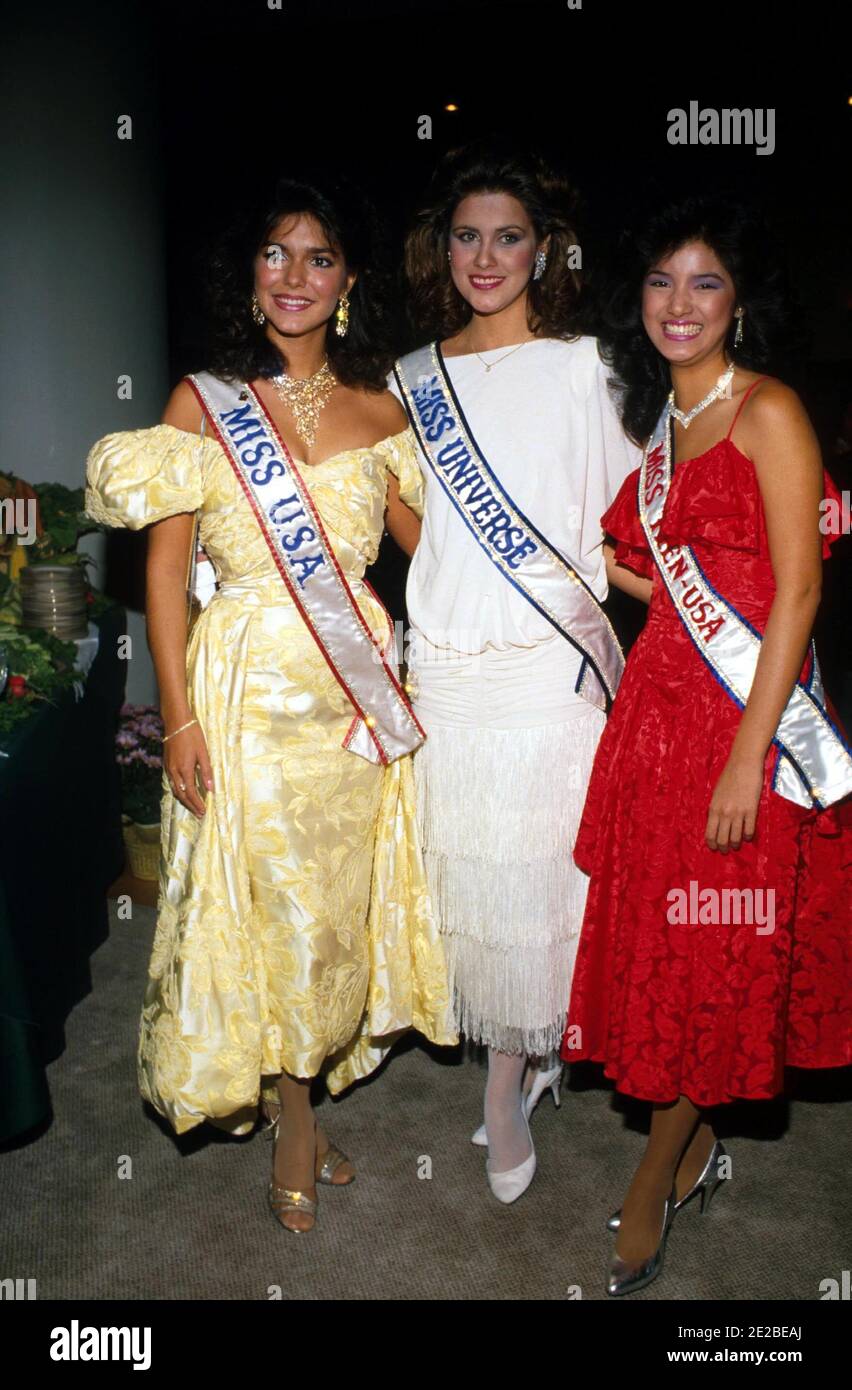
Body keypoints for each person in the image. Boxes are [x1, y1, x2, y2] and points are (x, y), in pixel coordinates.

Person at [85, 174, 455, 1235]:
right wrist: (179, 718)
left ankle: (307, 1099)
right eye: (276, 254)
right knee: (268, 908)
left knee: (331, 914)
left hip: (351, 702)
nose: (296, 276)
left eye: (320, 257)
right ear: (250, 276)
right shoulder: (200, 403)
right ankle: (296, 1124)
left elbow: (435, 562)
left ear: (347, 281)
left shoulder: (384, 411)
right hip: (243, 687)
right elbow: (163, 575)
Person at [561, 194, 852, 1294]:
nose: (680, 305)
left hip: (743, 731)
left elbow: (801, 586)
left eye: (707, 282)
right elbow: (659, 568)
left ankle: (655, 1173)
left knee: (719, 953)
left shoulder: (769, 409)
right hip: (657, 722)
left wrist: (748, 754)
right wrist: (618, 578)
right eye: (661, 282)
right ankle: (692, 1148)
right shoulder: (664, 427)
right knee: (670, 947)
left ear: (740, 301)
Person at [392, 141, 640, 1202]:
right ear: (439, 248)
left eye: (508, 237)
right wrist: (457, 575)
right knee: (467, 883)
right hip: (449, 667)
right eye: (466, 236)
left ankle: (504, 1089)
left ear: (546, 249)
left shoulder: (590, 365)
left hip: (550, 665)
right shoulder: (412, 378)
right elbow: (406, 518)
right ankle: (521, 1054)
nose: (484, 257)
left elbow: (635, 523)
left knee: (541, 878)